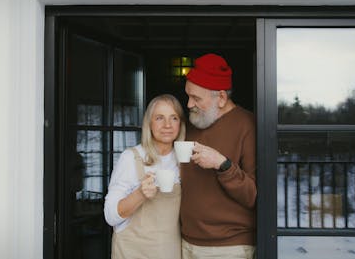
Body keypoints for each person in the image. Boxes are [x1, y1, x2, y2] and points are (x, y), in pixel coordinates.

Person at [180, 53, 257, 258]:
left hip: (229, 248)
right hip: (185, 242)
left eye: (196, 98)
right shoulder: (192, 123)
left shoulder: (248, 125)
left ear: (221, 98)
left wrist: (223, 164)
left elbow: (254, 196)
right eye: (188, 96)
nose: (188, 104)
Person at [104, 94, 186, 259]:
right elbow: (110, 216)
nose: (167, 125)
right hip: (133, 252)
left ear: (181, 124)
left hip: (170, 252)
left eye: (174, 118)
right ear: (149, 123)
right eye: (159, 118)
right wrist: (140, 194)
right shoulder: (131, 157)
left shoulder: (184, 160)